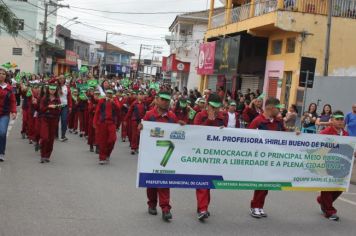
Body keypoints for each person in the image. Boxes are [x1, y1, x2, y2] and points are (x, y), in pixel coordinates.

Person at [139, 90, 179, 222]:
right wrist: (140, 127)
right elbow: (142, 130)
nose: (165, 102)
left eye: (167, 100)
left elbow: (178, 134)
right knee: (151, 182)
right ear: (156, 99)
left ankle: (166, 208)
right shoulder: (149, 115)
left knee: (164, 181)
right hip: (151, 154)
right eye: (162, 99)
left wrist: (182, 127)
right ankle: (151, 204)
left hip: (166, 156)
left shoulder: (172, 117)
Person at [248, 97, 285, 218]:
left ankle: (260, 206)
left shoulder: (278, 122)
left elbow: (286, 136)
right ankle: (255, 206)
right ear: (270, 107)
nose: (280, 110)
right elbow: (247, 137)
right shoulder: (258, 121)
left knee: (267, 184)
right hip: (260, 157)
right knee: (261, 183)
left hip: (273, 158)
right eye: (278, 108)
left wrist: (296, 134)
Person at [316, 110, 355, 221]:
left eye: (341, 119)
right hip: (327, 164)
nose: (340, 121)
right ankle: (329, 211)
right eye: (337, 119)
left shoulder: (346, 134)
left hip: (341, 165)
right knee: (328, 188)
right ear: (332, 121)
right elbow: (315, 144)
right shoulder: (325, 132)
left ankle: (322, 200)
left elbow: (350, 148)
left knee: (340, 187)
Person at [193, 93, 227, 221]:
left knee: (209, 183)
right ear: (207, 105)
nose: (216, 110)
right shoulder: (200, 116)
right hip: (200, 155)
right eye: (213, 107)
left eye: (218, 107)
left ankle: (203, 206)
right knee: (202, 182)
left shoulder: (223, 117)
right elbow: (196, 133)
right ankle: (203, 209)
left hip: (215, 156)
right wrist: (209, 120)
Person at [93, 89, 122, 164]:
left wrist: (114, 103)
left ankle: (107, 154)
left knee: (112, 140)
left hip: (111, 123)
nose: (109, 95)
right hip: (102, 123)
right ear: (105, 94)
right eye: (107, 93)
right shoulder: (101, 101)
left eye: (110, 93)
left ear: (112, 94)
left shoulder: (115, 100)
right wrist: (95, 122)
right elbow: (97, 112)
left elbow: (119, 110)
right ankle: (102, 157)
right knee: (102, 141)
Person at [39, 84, 61, 163]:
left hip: (53, 119)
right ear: (48, 89)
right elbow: (41, 109)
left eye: (54, 89)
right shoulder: (44, 98)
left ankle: (47, 155)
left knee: (51, 138)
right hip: (45, 118)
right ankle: (42, 155)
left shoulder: (57, 99)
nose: (52, 91)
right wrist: (49, 107)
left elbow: (59, 110)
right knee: (44, 137)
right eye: (51, 89)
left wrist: (57, 107)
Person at [0, 68, 17, 162]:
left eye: (3, 74)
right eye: (0, 73)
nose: (1, 75)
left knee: (2, 133)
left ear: (6, 76)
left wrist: (14, 111)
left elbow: (13, 101)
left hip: (4, 114)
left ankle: (1, 153)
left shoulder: (9, 88)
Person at [58, 75, 72, 142]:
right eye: (60, 78)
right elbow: (49, 81)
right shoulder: (55, 86)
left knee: (64, 120)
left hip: (65, 106)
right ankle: (55, 134)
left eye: (63, 78)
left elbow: (69, 97)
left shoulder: (67, 87)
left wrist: (70, 106)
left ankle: (63, 135)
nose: (62, 79)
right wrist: (56, 78)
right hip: (57, 106)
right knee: (55, 121)